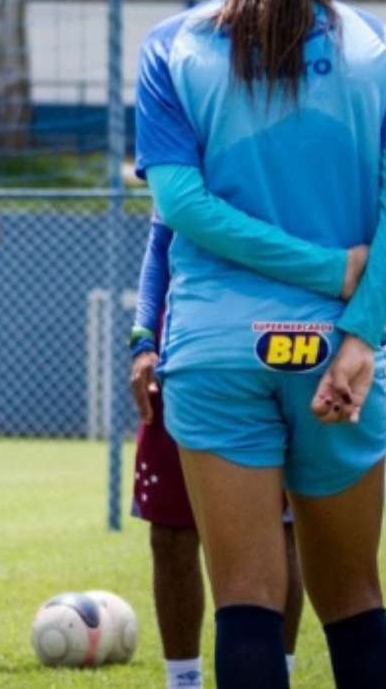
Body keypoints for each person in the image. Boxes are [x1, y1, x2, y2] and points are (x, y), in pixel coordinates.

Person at [136, 0, 386, 688]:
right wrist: (357, 321)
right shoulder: (382, 52)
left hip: (219, 350)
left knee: (249, 602)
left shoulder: (171, 49)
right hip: (336, 349)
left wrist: (325, 271)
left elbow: (181, 208)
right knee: (355, 598)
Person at [129, 210, 306, 688]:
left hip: (285, 334)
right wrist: (144, 336)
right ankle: (182, 681)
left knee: (281, 527)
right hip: (190, 343)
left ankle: (279, 673)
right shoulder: (185, 144)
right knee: (170, 531)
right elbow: (161, 238)